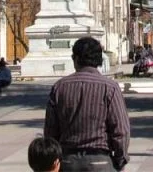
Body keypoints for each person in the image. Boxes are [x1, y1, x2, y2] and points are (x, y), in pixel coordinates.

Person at [44, 37, 130, 172]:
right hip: (101, 161)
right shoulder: (110, 87)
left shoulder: (59, 87)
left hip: (67, 162)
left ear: (76, 59)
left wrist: (52, 161)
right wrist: (120, 160)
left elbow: (50, 130)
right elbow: (121, 130)